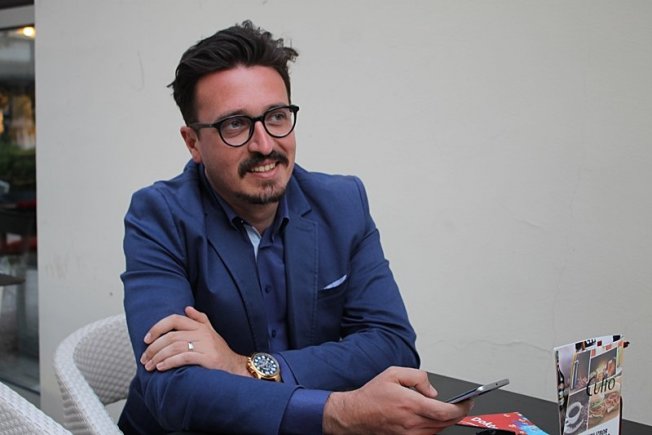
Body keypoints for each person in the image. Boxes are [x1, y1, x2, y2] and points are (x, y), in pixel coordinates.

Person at [119, 20, 472, 434]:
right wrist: (337, 412)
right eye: (235, 124)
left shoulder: (342, 203)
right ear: (193, 142)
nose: (265, 144)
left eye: (276, 116)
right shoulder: (158, 215)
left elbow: (391, 345)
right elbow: (173, 390)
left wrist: (244, 366)